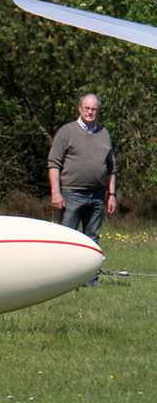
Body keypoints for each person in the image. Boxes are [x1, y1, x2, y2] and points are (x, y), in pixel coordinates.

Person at [48, 93, 116, 284]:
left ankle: (90, 279)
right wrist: (56, 192)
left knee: (92, 239)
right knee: (68, 238)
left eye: (94, 109)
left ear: (98, 111)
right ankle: (63, 280)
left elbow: (111, 167)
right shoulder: (66, 132)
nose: (90, 112)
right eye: (87, 108)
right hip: (71, 193)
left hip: (97, 194)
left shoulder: (104, 134)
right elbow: (54, 163)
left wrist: (112, 194)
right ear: (79, 109)